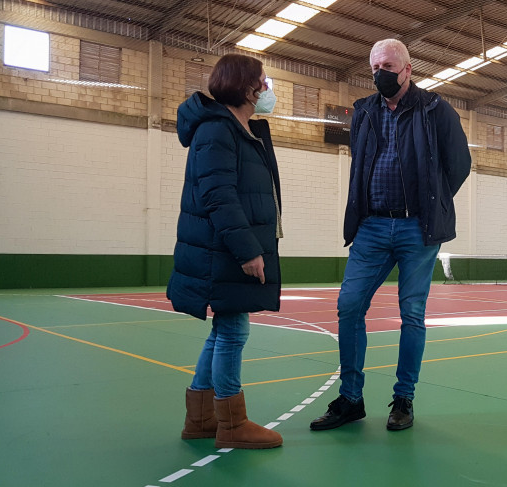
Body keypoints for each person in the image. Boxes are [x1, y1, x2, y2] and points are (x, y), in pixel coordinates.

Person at [310, 39, 471, 432]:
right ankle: (350, 398)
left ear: (408, 69)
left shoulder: (436, 109)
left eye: (388, 66)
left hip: (419, 228)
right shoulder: (364, 111)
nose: (380, 72)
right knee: (349, 306)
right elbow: (360, 161)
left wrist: (431, 201)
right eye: (375, 66)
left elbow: (459, 165)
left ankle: (404, 399)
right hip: (371, 226)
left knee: (412, 314)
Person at [167, 53, 283, 449]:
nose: (267, 90)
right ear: (248, 88)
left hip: (224, 248)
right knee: (234, 330)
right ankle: (232, 424)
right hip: (225, 250)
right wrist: (249, 251)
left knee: (223, 331)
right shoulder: (217, 130)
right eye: (264, 82)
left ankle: (200, 418)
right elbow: (219, 197)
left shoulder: (238, 129)